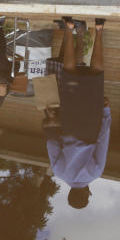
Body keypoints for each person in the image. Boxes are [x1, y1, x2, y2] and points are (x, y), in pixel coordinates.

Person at [44, 18, 110, 209]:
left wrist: (106, 113)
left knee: (96, 72)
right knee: (69, 72)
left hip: (90, 124)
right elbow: (51, 142)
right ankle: (69, 29)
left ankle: (99, 30)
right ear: (71, 193)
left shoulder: (95, 173)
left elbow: (103, 141)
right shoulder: (59, 172)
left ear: (86, 194)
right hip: (69, 123)